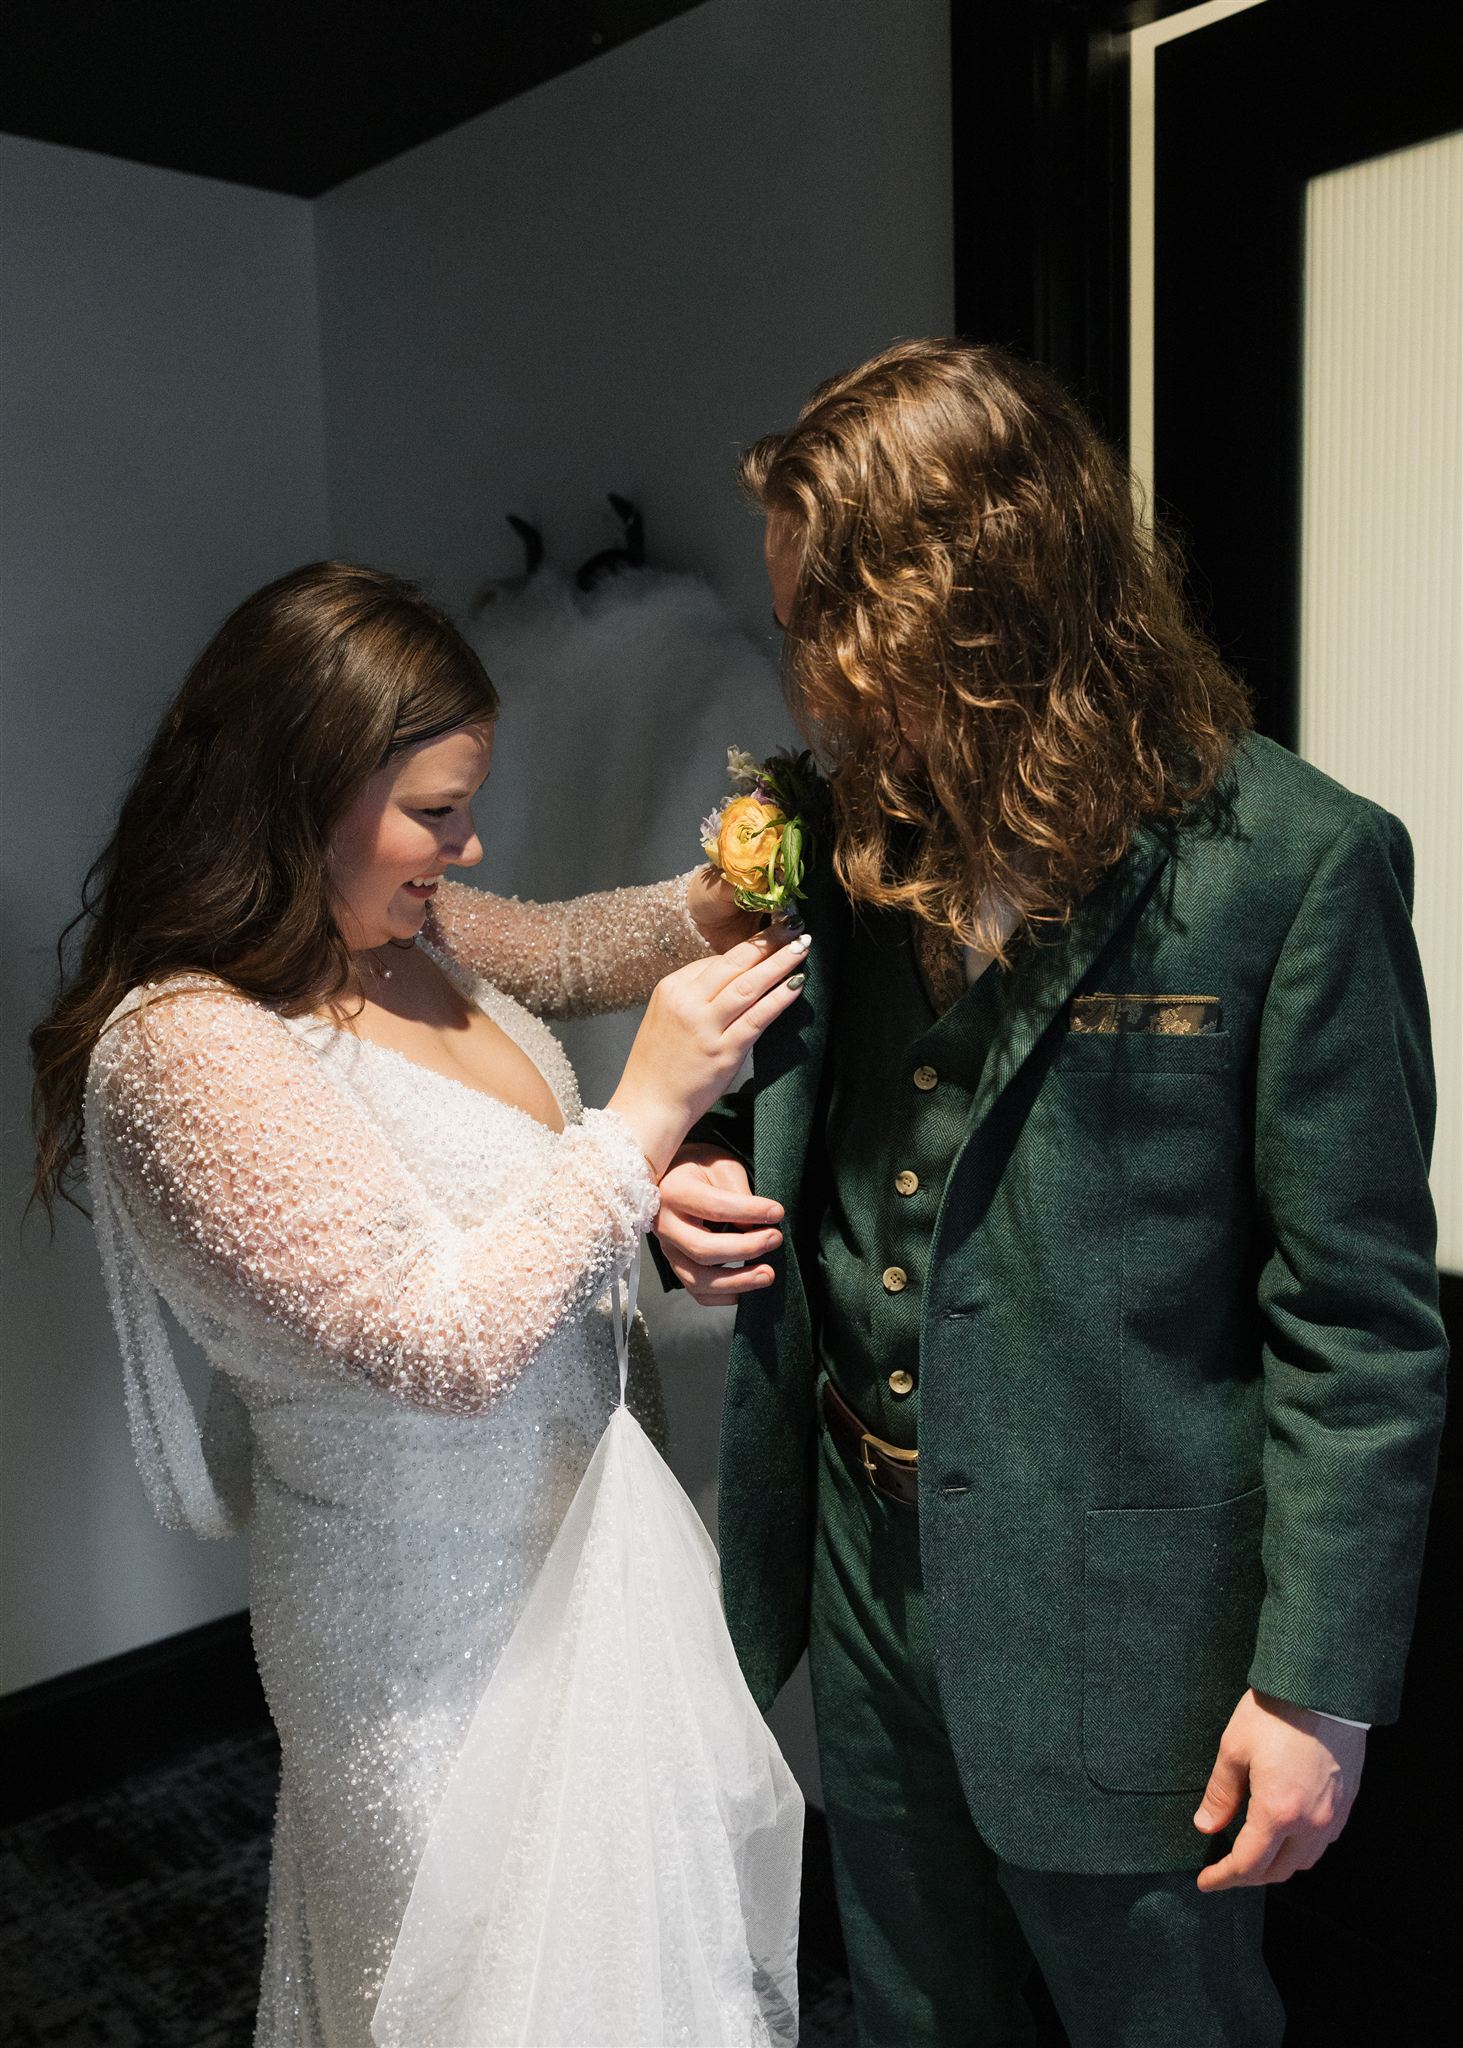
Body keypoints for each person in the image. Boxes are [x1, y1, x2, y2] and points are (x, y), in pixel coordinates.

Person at [652, 339, 1448, 2046]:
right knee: (917, 2010)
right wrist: (692, 1179)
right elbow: (800, 1107)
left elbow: (1362, 1321)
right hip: (864, 1579)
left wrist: (1320, 1687)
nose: (794, 673)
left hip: (1132, 1626)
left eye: (813, 625)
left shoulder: (1297, 868)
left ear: (949, 607)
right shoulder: (833, 829)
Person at [29, 560, 802, 2047]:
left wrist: (723, 899)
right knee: (479, 1993)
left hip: (593, 1551)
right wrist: (645, 1126)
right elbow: (437, 1338)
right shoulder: (185, 1054)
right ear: (298, 794)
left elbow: (573, 957)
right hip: (423, 1633)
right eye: (438, 812)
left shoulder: (403, 929)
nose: (470, 841)